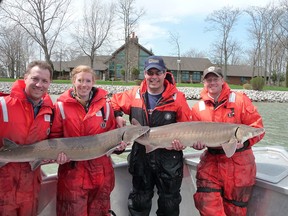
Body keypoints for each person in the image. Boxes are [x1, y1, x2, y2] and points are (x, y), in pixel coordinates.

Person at [111, 55, 192, 216]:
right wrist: (118, 115)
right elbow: (112, 102)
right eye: (150, 73)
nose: (154, 77)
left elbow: (189, 127)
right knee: (139, 203)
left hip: (169, 160)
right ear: (145, 74)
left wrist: (183, 143)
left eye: (158, 73)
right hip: (141, 157)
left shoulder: (178, 98)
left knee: (169, 206)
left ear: (164, 74)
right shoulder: (134, 94)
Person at [49, 65, 126, 216]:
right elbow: (54, 138)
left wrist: (119, 147)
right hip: (72, 174)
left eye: (88, 80)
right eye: (80, 80)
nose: (84, 84)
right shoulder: (60, 106)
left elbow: (113, 137)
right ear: (73, 81)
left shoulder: (106, 106)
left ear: (93, 82)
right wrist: (57, 156)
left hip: (102, 175)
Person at [191, 66, 265, 216]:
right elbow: (193, 140)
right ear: (204, 83)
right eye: (208, 80)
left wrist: (243, 142)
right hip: (211, 163)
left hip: (240, 165)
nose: (212, 82)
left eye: (215, 79)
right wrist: (196, 145)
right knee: (207, 204)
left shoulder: (240, 100)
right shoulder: (197, 108)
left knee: (236, 210)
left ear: (222, 80)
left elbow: (258, 128)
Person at [0, 60, 54, 215]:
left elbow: (54, 141)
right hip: (3, 186)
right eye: (35, 79)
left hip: (31, 187)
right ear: (25, 78)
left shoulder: (50, 111)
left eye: (44, 81)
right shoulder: (3, 104)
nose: (39, 85)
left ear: (49, 83)